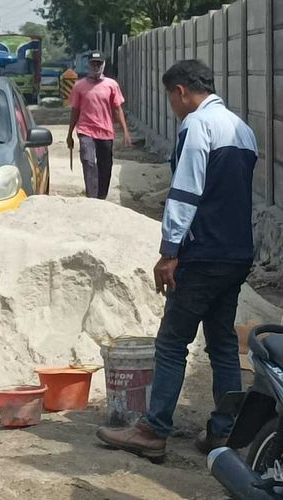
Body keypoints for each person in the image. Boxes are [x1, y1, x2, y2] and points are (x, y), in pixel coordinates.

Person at [96, 60, 258, 460]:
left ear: (181, 91)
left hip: (202, 254)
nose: (172, 105)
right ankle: (224, 432)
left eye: (171, 96)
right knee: (221, 343)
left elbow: (185, 192)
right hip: (236, 252)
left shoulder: (197, 126)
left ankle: (153, 430)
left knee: (171, 342)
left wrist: (169, 251)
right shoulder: (243, 130)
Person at [66, 52, 132, 199]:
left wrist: (125, 132)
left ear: (103, 65)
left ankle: (102, 196)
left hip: (105, 131)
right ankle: (91, 196)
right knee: (88, 160)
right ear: (88, 64)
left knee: (105, 165)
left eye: (99, 64)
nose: (96, 67)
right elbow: (75, 110)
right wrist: (69, 133)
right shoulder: (79, 86)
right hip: (85, 130)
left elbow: (117, 108)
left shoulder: (111, 85)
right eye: (93, 64)